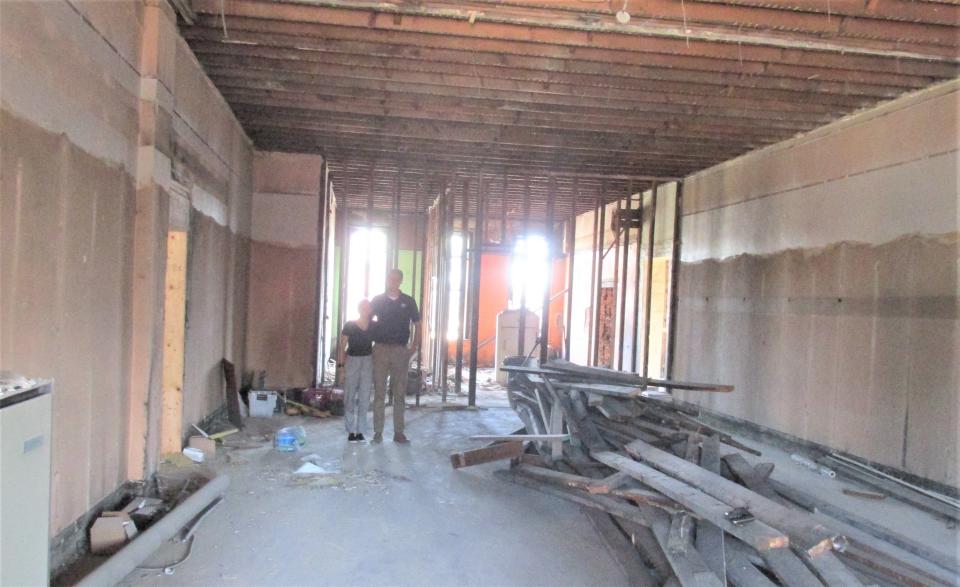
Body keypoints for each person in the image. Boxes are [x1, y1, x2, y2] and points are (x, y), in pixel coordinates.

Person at [370, 269, 421, 444]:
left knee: (399, 393)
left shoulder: (408, 301)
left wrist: (413, 347)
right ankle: (378, 432)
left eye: (396, 279)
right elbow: (367, 320)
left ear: (401, 281)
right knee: (379, 392)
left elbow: (417, 324)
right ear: (386, 280)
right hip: (381, 350)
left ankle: (399, 432)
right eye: (390, 278)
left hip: (400, 350)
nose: (393, 281)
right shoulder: (377, 300)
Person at [338, 299, 376, 442]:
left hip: (367, 361)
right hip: (352, 361)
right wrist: (341, 368)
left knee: (364, 398)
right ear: (359, 309)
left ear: (370, 310)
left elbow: (379, 343)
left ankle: (360, 431)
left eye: (368, 308)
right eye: (363, 307)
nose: (365, 310)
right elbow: (342, 347)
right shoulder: (350, 325)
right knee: (349, 397)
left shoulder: (373, 326)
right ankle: (350, 431)